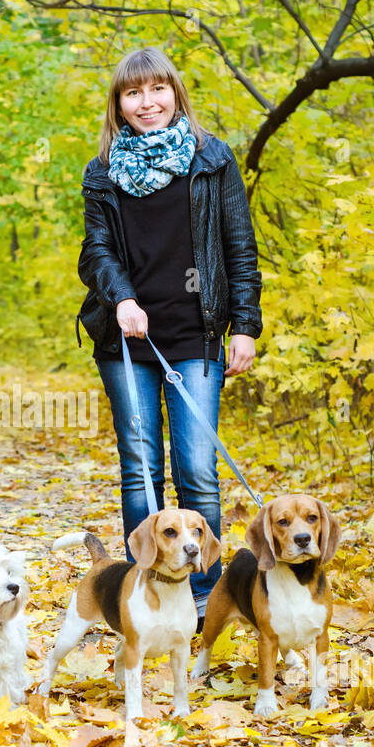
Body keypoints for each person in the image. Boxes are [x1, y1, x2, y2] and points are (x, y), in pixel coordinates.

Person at [76, 47, 262, 621]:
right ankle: (145, 592)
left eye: (158, 89)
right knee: (139, 465)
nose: (147, 102)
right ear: (119, 103)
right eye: (134, 93)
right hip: (125, 338)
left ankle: (205, 597)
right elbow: (95, 251)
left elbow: (239, 245)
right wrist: (122, 297)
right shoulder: (102, 170)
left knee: (198, 466)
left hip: (197, 334)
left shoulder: (212, 159)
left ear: (175, 93)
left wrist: (245, 326)